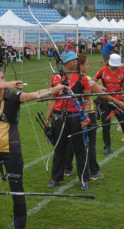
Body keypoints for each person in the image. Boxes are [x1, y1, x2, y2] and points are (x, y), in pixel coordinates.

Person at [0, 66, 68, 229]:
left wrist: (56, 89)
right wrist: (8, 83)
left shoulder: (14, 97)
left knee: (16, 188)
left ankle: (20, 226)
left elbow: (35, 95)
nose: (1, 80)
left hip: (12, 149)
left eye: (3, 77)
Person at [63, 54, 124, 179]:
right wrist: (118, 102)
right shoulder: (85, 78)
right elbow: (103, 95)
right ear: (79, 65)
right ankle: (93, 171)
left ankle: (67, 167)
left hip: (71, 114)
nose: (88, 66)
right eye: (86, 64)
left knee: (71, 140)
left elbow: (98, 89)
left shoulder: (65, 78)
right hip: (87, 114)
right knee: (90, 143)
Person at [45, 51, 92, 191]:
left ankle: (84, 180)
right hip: (59, 116)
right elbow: (53, 98)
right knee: (59, 149)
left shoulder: (83, 78)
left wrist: (86, 115)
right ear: (65, 62)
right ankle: (55, 178)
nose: (76, 62)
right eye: (73, 60)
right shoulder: (56, 78)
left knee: (79, 149)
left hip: (76, 117)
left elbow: (88, 100)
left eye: (77, 60)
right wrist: (48, 117)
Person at [94, 53, 124, 155]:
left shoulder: (121, 72)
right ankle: (107, 146)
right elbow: (92, 82)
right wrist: (100, 88)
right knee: (106, 125)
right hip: (105, 100)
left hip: (118, 100)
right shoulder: (102, 71)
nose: (116, 67)